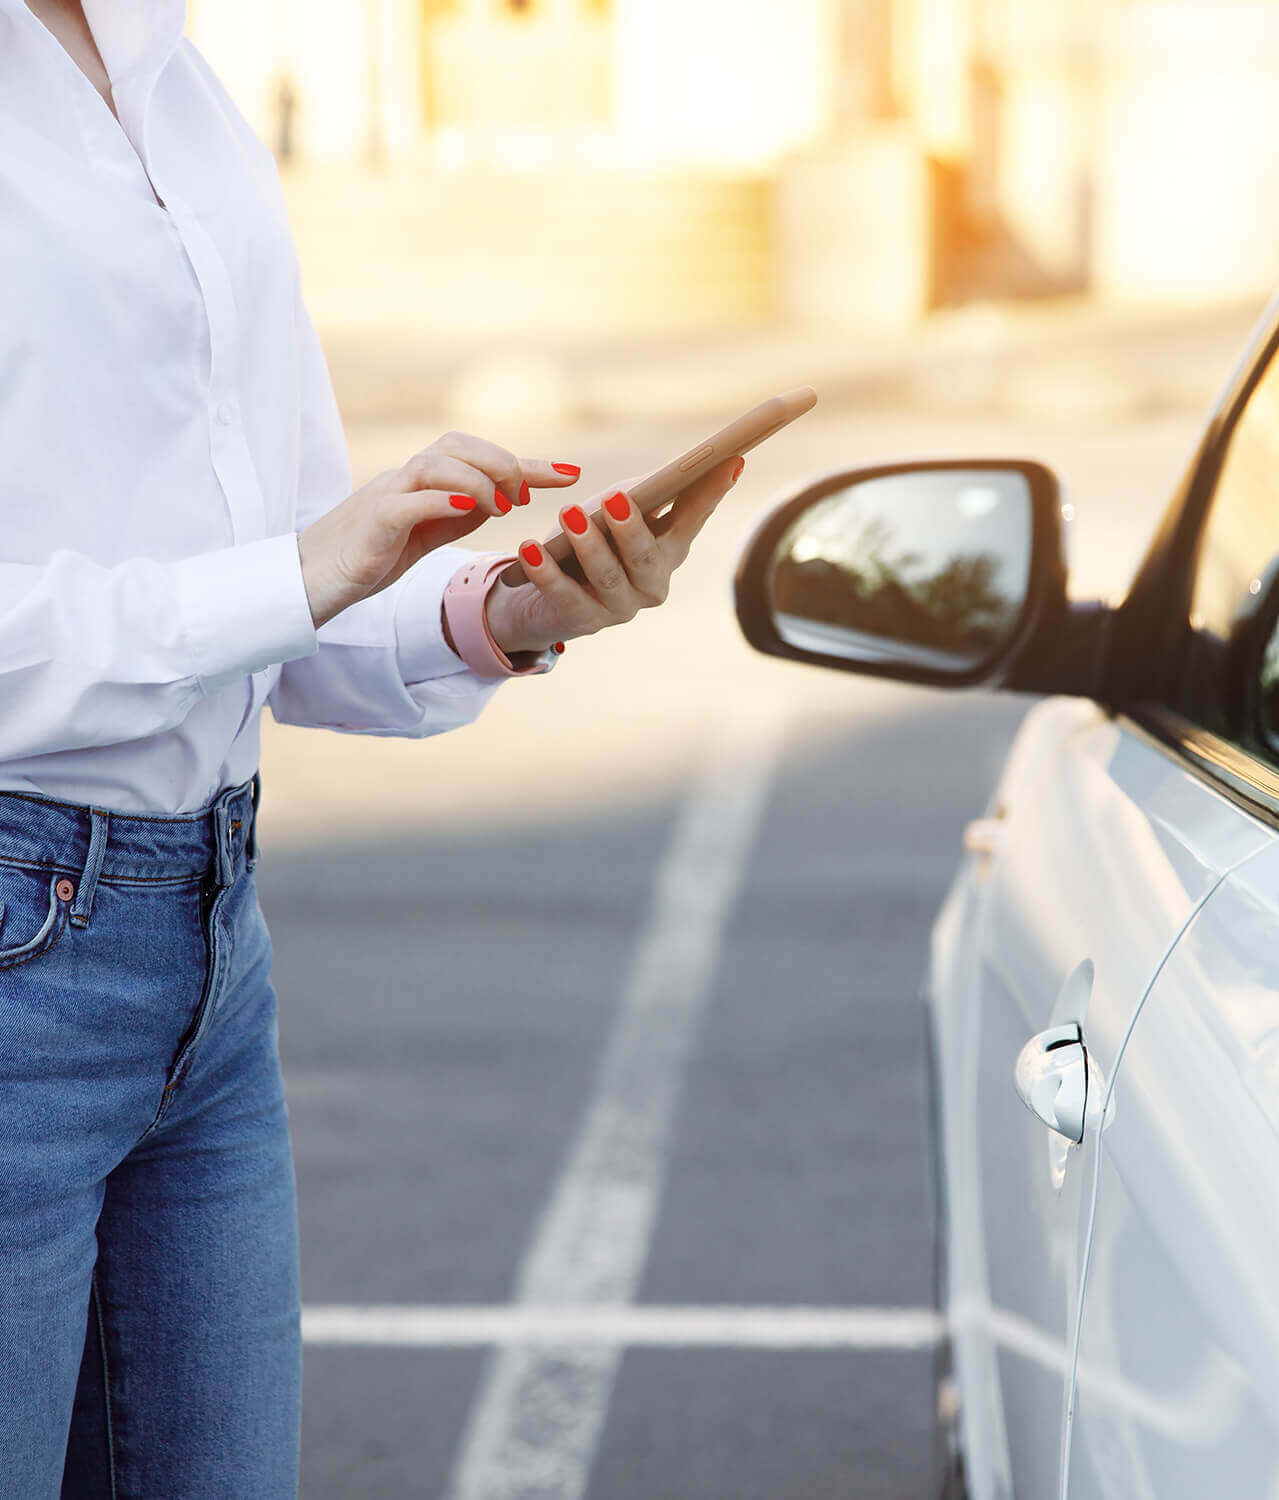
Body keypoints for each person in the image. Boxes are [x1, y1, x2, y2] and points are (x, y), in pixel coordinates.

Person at [0, 2, 745, 1494]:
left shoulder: (177, 80)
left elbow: (283, 578)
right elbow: (278, 577)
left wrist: (495, 610)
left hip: (205, 956)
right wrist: (298, 572)